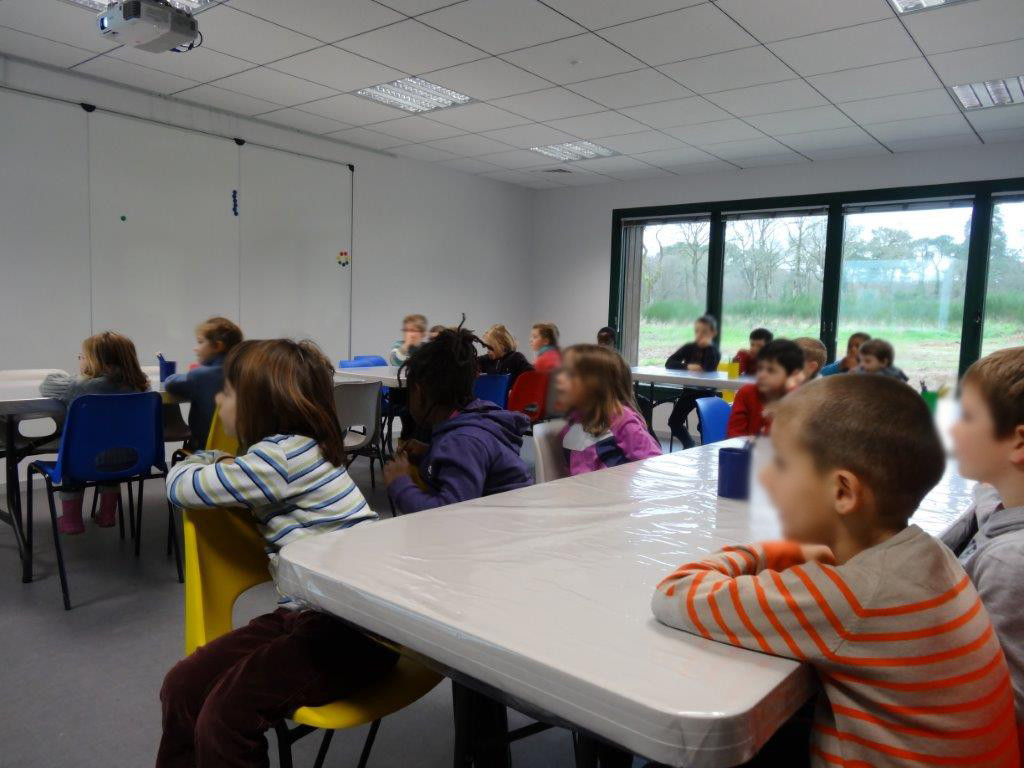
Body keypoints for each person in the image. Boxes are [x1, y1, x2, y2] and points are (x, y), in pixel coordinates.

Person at [652, 375, 1020, 767]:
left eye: (781, 464)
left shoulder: (851, 596)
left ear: (842, 492)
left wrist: (768, 552)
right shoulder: (931, 555)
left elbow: (674, 592)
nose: (765, 478)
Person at [158, 339, 393, 768]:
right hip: (308, 613)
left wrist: (191, 459)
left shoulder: (277, 461)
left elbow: (182, 489)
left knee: (226, 718)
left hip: (355, 627)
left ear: (257, 405)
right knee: (182, 684)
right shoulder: (297, 449)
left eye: (228, 392)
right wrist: (221, 459)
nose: (219, 399)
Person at [943, 346, 1024, 726]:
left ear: (1019, 443)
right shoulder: (1001, 505)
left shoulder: (1009, 561)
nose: (953, 428)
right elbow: (984, 500)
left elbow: (1006, 708)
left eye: (967, 417)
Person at [384, 325, 533, 514]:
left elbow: (448, 516)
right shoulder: (473, 419)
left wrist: (401, 483)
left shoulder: (463, 441)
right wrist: (430, 453)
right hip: (503, 524)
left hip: (500, 534)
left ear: (419, 394)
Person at [39, 331, 150, 533]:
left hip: (81, 462)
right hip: (129, 459)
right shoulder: (141, 387)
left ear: (95, 361)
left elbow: (46, 385)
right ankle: (108, 514)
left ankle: (71, 520)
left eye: (83, 356)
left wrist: (80, 373)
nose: (81, 359)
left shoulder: (79, 386)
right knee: (111, 449)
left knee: (76, 458)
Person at [556, 344, 661, 475]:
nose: (559, 378)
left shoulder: (621, 419)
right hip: (582, 493)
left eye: (570, 374)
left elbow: (654, 463)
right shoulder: (574, 421)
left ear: (595, 384)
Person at [164, 316, 243, 448]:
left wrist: (173, 375)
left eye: (200, 342)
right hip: (241, 450)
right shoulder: (245, 373)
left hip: (204, 449)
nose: (196, 348)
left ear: (217, 346)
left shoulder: (201, 375)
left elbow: (170, 384)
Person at [726, 339, 803, 439]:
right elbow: (734, 435)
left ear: (793, 375)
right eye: (760, 368)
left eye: (771, 370)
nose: (762, 375)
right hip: (746, 452)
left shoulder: (799, 400)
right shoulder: (747, 392)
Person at [665, 314, 722, 449]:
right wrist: (687, 366)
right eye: (697, 331)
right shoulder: (690, 347)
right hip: (690, 391)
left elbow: (708, 367)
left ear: (713, 333)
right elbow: (670, 362)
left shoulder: (714, 351)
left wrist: (707, 347)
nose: (700, 335)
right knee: (674, 422)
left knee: (704, 425)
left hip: (706, 392)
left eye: (704, 332)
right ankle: (689, 444)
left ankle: (706, 449)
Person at [477, 324, 533, 388]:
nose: (488, 351)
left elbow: (531, 375)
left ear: (501, 345)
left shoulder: (516, 358)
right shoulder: (488, 359)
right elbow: (472, 362)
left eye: (490, 348)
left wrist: (516, 390)